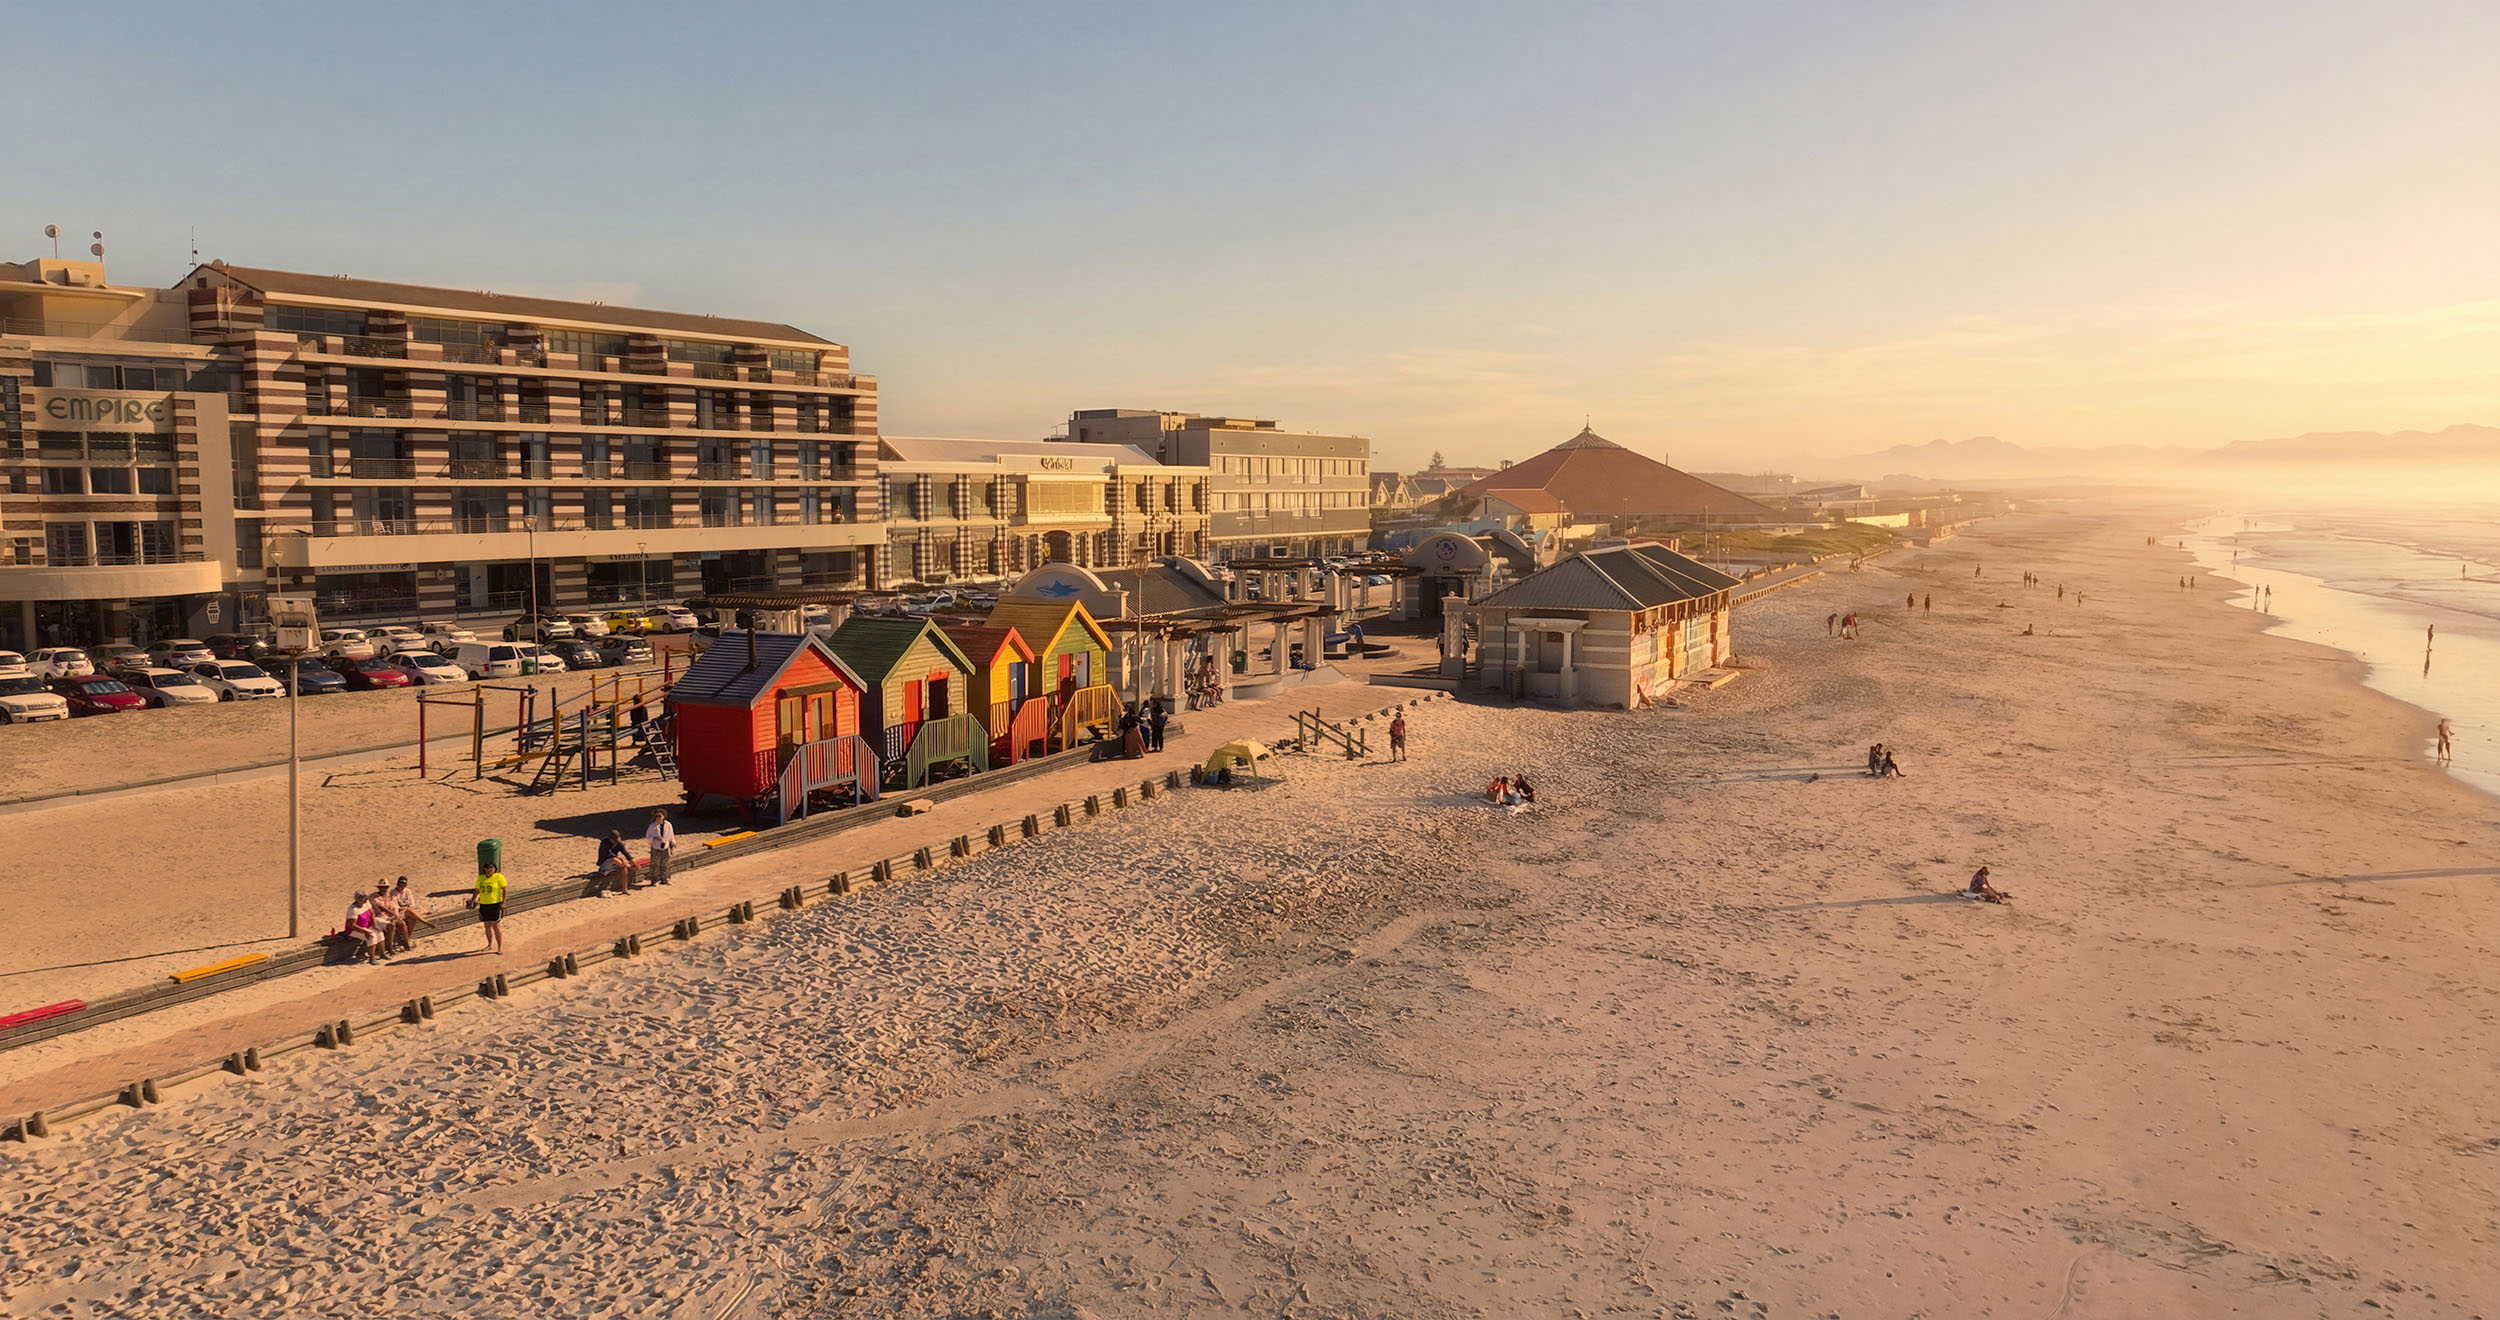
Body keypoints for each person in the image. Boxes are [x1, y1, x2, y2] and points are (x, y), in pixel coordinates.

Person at [469, 867, 508, 954]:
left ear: (494, 869)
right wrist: (472, 901)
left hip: (495, 904)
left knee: (496, 927)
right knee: (487, 926)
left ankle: (499, 947)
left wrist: (503, 903)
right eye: (487, 868)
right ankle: (489, 945)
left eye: (491, 868)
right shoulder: (481, 878)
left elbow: (504, 890)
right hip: (484, 904)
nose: (489, 870)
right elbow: (477, 890)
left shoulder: (498, 877)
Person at [343, 891, 389, 964]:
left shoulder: (366, 903)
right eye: (362, 900)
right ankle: (372, 958)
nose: (364, 901)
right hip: (355, 929)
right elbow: (352, 925)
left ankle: (382, 954)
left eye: (365, 899)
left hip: (367, 925)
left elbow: (372, 914)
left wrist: (374, 925)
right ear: (357, 900)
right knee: (372, 936)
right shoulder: (353, 909)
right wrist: (365, 931)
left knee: (379, 932)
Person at [388, 877, 435, 948]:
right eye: (400, 885)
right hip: (398, 913)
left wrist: (408, 908)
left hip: (408, 911)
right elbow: (396, 907)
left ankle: (406, 939)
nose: (401, 887)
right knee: (410, 912)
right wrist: (406, 908)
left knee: (412, 919)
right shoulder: (393, 893)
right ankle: (425, 922)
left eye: (403, 885)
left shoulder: (407, 891)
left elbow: (412, 904)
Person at [644, 807, 676, 886]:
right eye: (656, 816)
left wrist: (672, 842)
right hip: (656, 847)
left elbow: (671, 834)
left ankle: (665, 879)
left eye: (659, 816)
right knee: (655, 864)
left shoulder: (668, 824)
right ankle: (654, 880)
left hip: (665, 846)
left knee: (665, 864)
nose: (658, 818)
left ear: (663, 816)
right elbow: (648, 836)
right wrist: (654, 838)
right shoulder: (652, 826)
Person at [598, 829, 635, 894]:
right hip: (605, 864)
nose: (615, 842)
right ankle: (626, 866)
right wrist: (620, 859)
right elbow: (608, 854)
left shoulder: (619, 843)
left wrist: (633, 862)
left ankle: (624, 889)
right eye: (614, 840)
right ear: (610, 838)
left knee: (624, 868)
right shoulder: (604, 842)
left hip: (616, 864)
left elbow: (625, 853)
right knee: (616, 860)